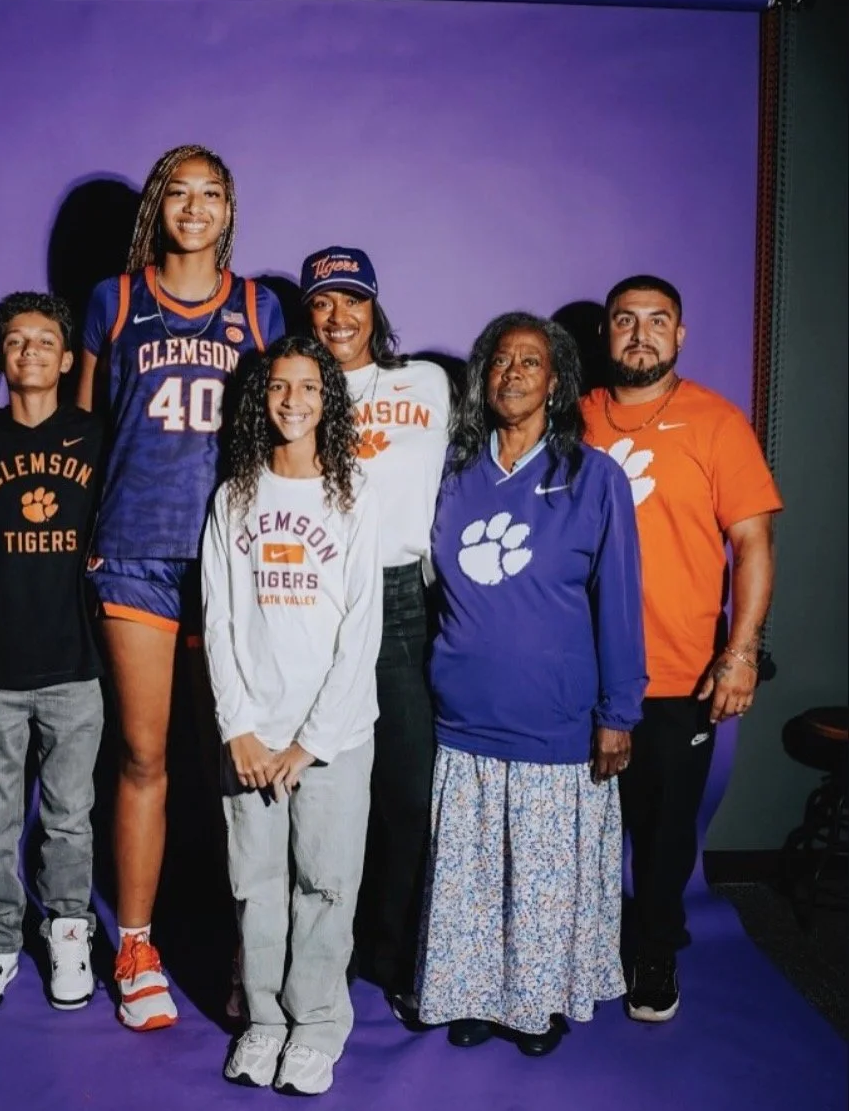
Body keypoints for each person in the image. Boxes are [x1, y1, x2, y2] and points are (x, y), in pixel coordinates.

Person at [75, 144, 284, 1031]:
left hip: (233, 556)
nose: (194, 208)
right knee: (143, 757)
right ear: (157, 205)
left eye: (212, 194)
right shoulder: (113, 300)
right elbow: (84, 432)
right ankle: (133, 943)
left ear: (229, 209)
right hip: (135, 549)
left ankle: (255, 950)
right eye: (179, 192)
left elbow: (287, 420)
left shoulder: (257, 304)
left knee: (242, 761)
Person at [416, 312, 646, 1057]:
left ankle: (535, 1002)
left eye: (530, 362)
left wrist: (619, 712)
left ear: (556, 381)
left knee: (542, 881)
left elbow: (617, 600)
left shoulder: (592, 476)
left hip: (555, 721)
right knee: (471, 876)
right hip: (463, 716)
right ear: (484, 379)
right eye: (500, 361)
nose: (513, 372)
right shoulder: (451, 475)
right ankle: (472, 996)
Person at [581, 275, 782, 1022]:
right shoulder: (577, 418)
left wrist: (739, 649)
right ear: (605, 333)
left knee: (664, 831)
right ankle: (580, 944)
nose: (640, 333)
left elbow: (752, 539)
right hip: (581, 671)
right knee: (584, 823)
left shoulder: (714, 421)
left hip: (676, 668)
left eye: (656, 319)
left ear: (680, 334)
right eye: (624, 320)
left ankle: (655, 948)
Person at [201, 335, 381, 1096]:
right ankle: (266, 1019)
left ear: (327, 400)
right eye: (279, 386)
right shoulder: (235, 495)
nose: (293, 399)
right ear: (260, 398)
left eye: (309, 386)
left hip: (330, 736)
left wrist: (308, 743)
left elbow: (361, 628)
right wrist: (239, 729)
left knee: (326, 882)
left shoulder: (352, 494)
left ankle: (313, 1025)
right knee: (257, 881)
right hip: (251, 734)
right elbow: (218, 622)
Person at [300, 246, 452, 1019]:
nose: (338, 316)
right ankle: (320, 948)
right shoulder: (292, 392)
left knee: (406, 791)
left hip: (399, 597)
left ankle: (394, 952)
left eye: (352, 300)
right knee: (320, 787)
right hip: (315, 597)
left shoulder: (422, 382)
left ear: (374, 307)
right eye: (323, 302)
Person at [0, 292, 105, 1015]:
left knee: (70, 815)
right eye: (16, 343)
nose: (31, 354)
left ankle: (68, 929)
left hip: (75, 663)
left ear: (67, 358)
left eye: (45, 342)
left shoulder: (97, 438)